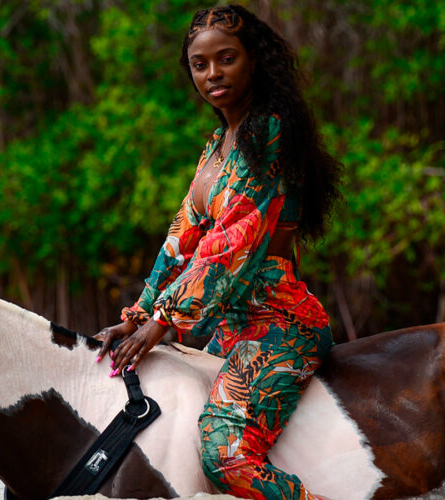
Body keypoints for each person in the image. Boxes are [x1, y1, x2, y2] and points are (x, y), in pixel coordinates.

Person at [96, 5, 341, 499]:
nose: (213, 74)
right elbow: (179, 241)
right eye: (200, 64)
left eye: (226, 59)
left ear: (255, 60)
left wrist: (161, 321)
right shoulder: (217, 145)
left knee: (224, 456)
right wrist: (137, 314)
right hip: (225, 329)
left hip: (278, 325)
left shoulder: (267, 133)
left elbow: (233, 244)